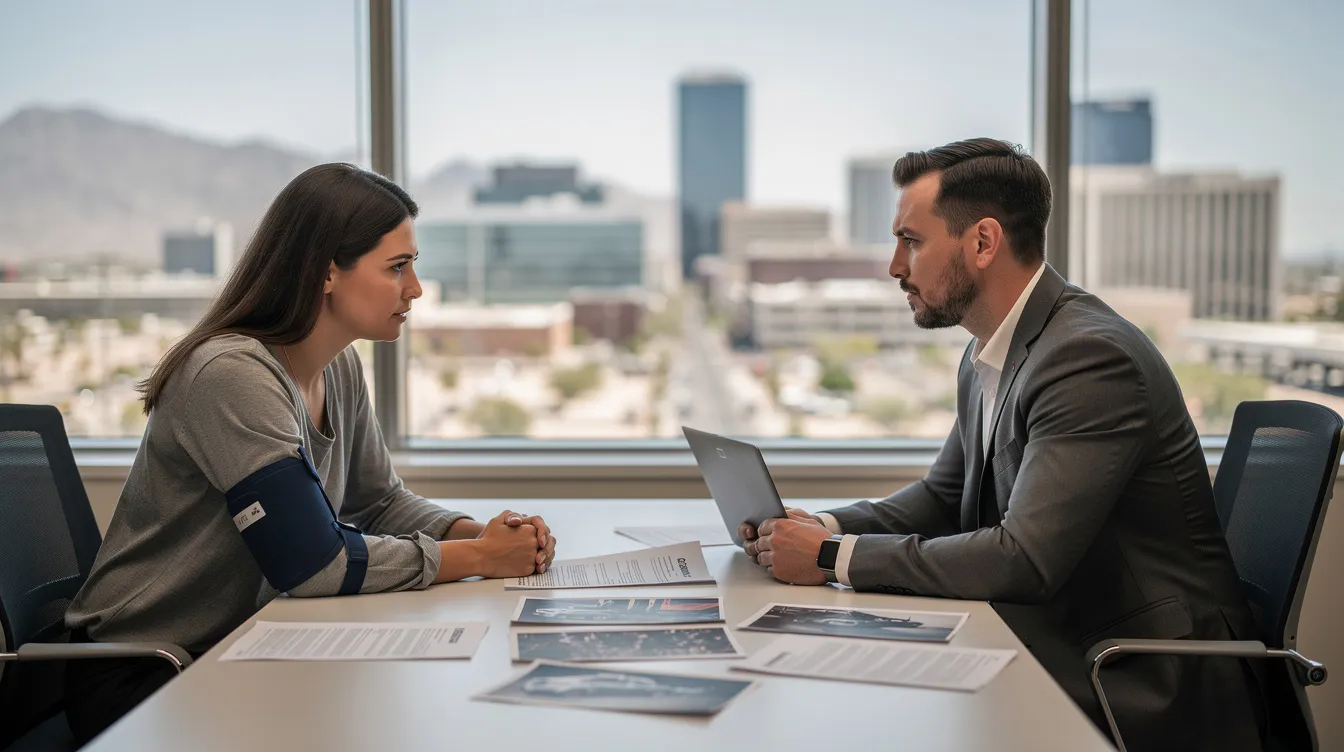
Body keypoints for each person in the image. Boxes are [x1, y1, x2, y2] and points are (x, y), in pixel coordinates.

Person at [740, 139, 1267, 751]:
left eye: (911, 241)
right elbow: (942, 496)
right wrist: (815, 525)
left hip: (1145, 673)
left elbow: (1025, 559)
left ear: (983, 243)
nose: (894, 266)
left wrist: (833, 556)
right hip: (1068, 633)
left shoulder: (1088, 358)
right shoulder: (989, 350)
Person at [63, 163, 557, 743]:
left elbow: (378, 503)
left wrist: (482, 535)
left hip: (236, 648)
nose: (415, 289)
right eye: (397, 267)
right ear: (327, 273)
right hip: (145, 672)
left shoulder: (336, 365)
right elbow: (312, 564)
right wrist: (477, 560)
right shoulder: (231, 375)